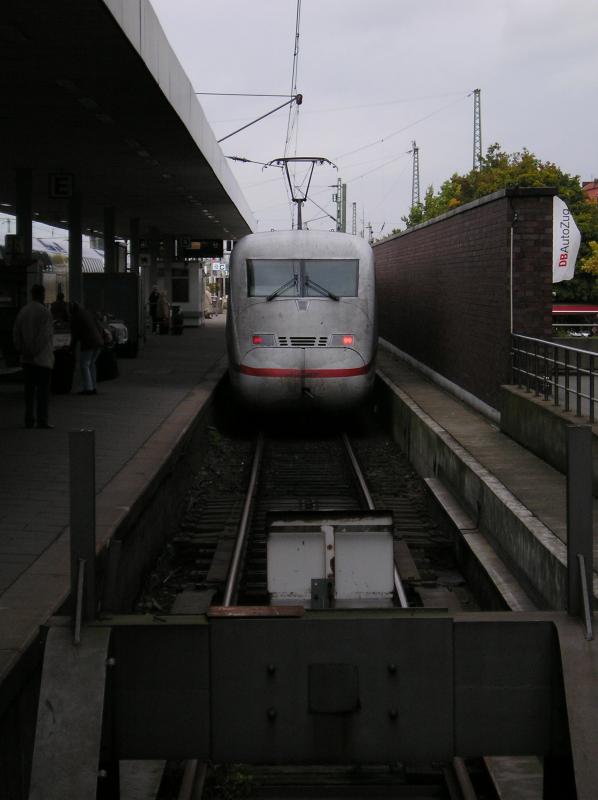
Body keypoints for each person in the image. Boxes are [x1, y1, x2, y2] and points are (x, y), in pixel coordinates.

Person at [12, 284, 55, 429]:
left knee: (29, 392)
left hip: (27, 360)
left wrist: (24, 351)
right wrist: (34, 352)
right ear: (42, 294)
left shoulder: (23, 311)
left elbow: (16, 334)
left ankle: (28, 419)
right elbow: (44, 336)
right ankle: (42, 420)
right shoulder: (45, 312)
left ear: (31, 294)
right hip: (42, 360)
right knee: (43, 392)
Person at [70, 302, 104, 395]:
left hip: (89, 343)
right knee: (92, 364)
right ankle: (93, 386)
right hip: (98, 342)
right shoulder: (88, 313)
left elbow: (75, 335)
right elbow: (99, 326)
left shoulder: (76, 317)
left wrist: (71, 348)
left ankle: (88, 388)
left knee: (84, 364)